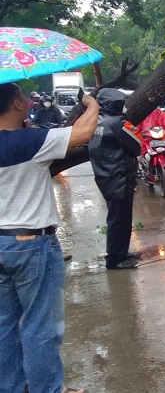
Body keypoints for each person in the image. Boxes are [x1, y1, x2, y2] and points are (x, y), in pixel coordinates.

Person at [0, 81, 98, 393]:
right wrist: (92, 104)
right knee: (40, 326)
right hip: (30, 245)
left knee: (4, 326)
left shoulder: (28, 138)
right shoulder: (30, 141)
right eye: (23, 97)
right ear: (17, 104)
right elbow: (83, 132)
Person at [88, 88, 143, 270]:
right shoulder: (118, 124)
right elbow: (137, 146)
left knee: (119, 218)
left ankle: (121, 252)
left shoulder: (97, 121)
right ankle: (115, 259)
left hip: (106, 176)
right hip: (119, 177)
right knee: (119, 220)